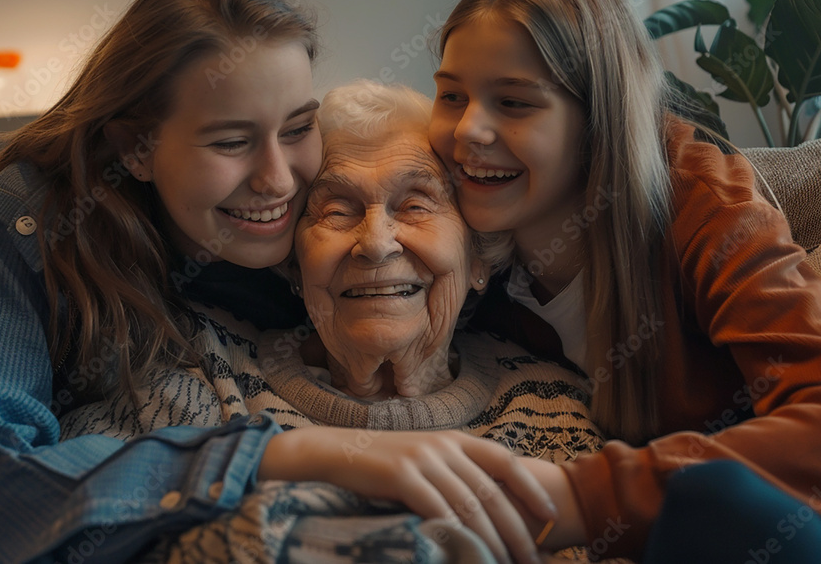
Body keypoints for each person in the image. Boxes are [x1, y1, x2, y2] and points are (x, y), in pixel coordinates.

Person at [0, 0, 555, 564]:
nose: (278, 180)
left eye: (298, 127)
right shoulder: (41, 229)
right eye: (232, 141)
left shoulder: (321, 216)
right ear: (136, 146)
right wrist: (283, 451)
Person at [60, 79, 604, 563]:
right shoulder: (196, 368)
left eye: (415, 205)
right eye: (337, 211)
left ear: (478, 257)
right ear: (294, 264)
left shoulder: (554, 410)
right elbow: (65, 522)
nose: (374, 244)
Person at [427, 0, 821, 560]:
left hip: (766, 528)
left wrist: (581, 498)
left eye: (513, 102)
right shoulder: (448, 226)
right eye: (450, 95)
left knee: (719, 498)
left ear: (597, 121)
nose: (467, 130)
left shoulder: (703, 204)